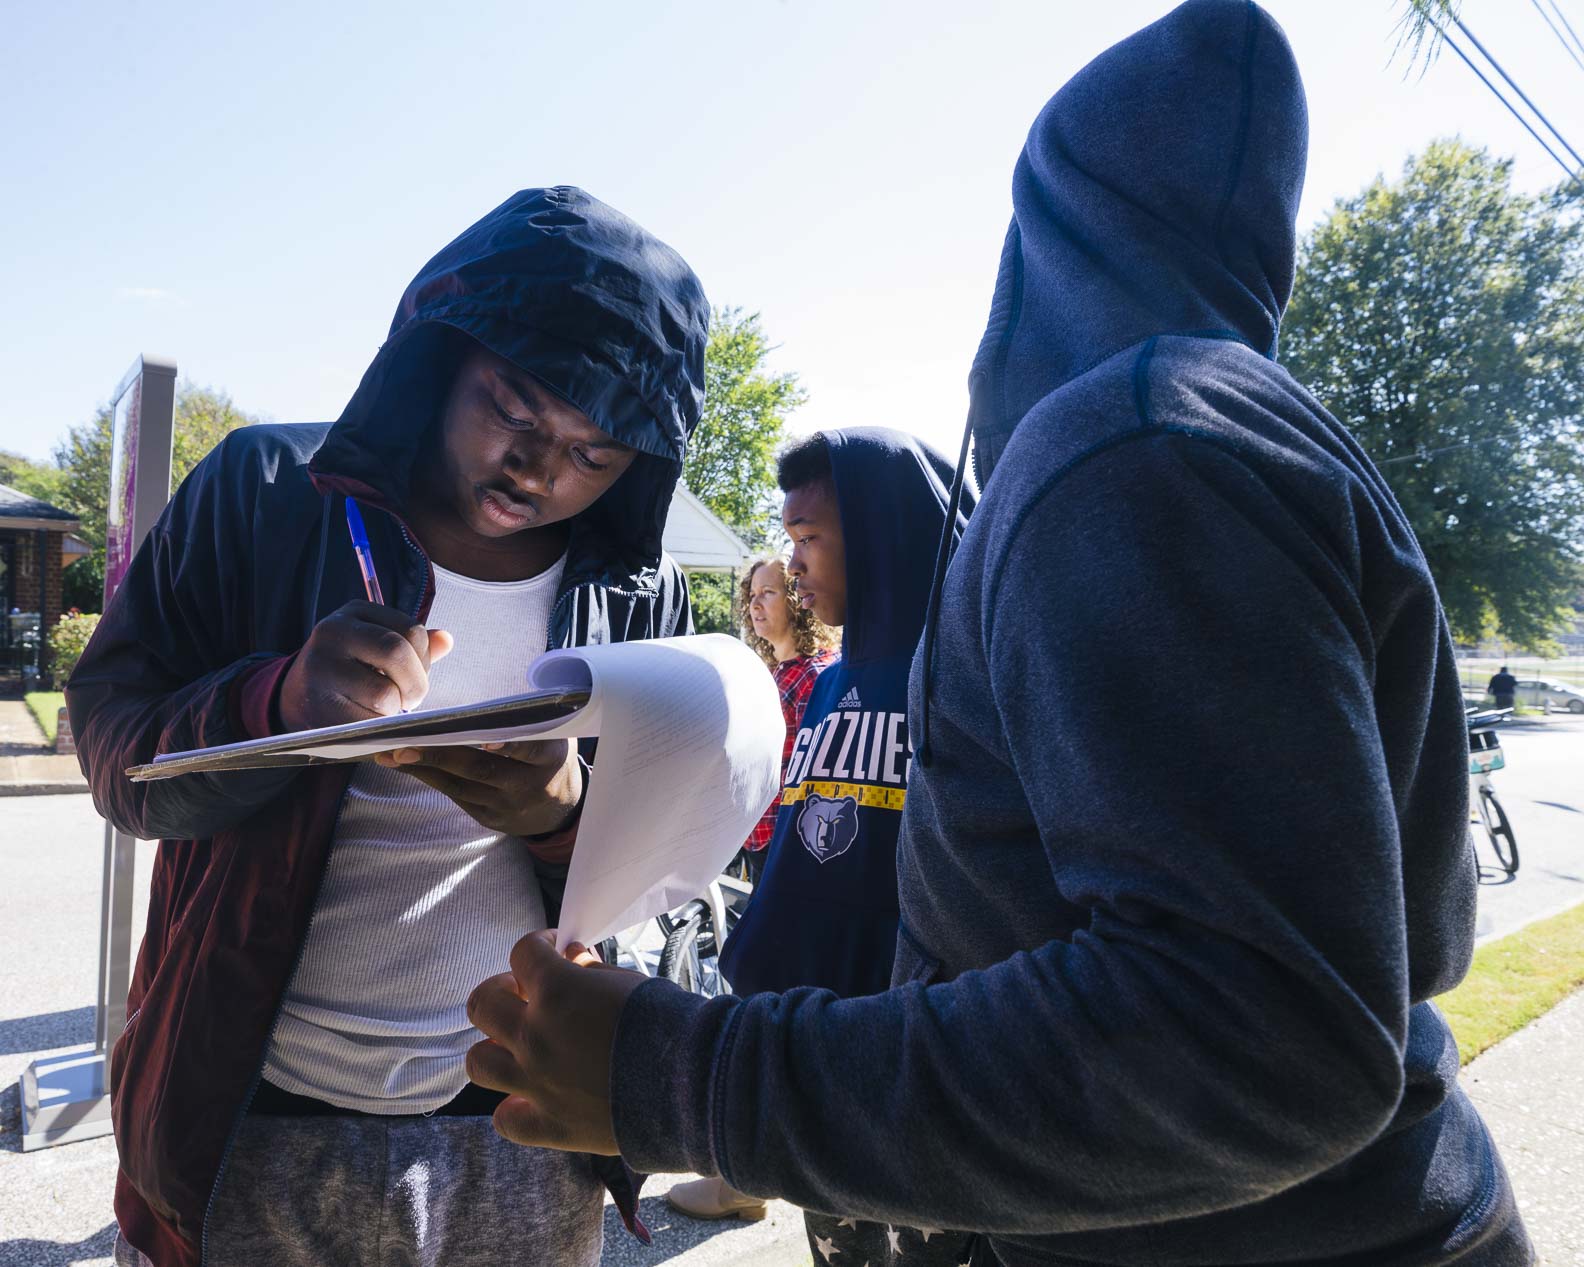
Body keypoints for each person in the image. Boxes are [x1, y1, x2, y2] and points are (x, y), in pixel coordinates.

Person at [463, 5, 1533, 1266]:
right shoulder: (1269, 434)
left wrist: (689, 1074)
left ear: (1054, 230)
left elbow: (1258, 1033)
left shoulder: (1138, 447)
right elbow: (1421, 933)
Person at [66, 186, 708, 1267]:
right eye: (515, 408)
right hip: (250, 1128)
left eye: (596, 454)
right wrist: (277, 704)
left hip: (520, 1134)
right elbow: (116, 761)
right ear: (441, 354)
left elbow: (668, 895)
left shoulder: (639, 593)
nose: (541, 469)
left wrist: (564, 818)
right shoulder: (266, 491)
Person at [665, 430, 973, 1260]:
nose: (793, 565)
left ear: (876, 533)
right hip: (815, 1070)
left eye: (809, 539)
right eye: (788, 539)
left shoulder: (961, 672)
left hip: (920, 1082)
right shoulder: (834, 682)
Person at [737, 553, 839, 889]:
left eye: (768, 593)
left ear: (795, 599)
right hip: (756, 836)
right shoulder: (766, 672)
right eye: (752, 596)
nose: (755, 605)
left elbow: (816, 779)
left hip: (787, 845)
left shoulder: (816, 674)